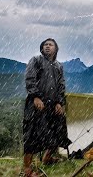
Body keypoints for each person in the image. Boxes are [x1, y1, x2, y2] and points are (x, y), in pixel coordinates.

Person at [23, 38, 72, 176]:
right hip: (37, 103)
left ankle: (47, 158)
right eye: (45, 45)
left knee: (56, 130)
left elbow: (61, 86)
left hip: (53, 104)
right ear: (41, 48)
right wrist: (35, 97)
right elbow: (29, 78)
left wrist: (59, 102)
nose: (48, 46)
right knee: (32, 134)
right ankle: (27, 169)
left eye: (51, 45)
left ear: (56, 49)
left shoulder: (58, 66)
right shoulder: (36, 60)